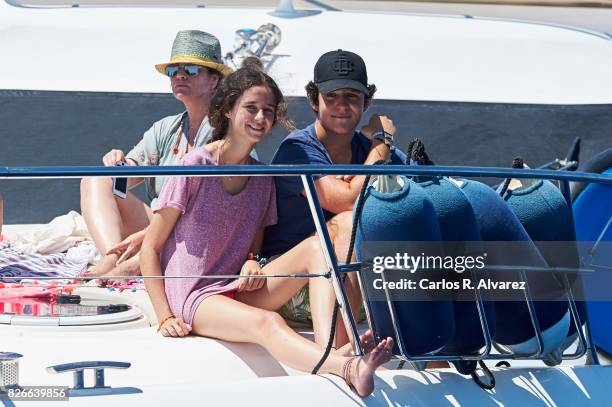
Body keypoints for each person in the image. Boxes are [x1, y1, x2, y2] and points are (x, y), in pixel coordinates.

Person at [140, 58, 394, 398]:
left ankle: (333, 342)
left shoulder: (262, 177)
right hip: (194, 295)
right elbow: (151, 247)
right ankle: (344, 366)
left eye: (268, 111)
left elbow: (254, 246)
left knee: (319, 246)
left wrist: (250, 261)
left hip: (237, 286)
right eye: (251, 108)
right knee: (269, 323)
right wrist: (163, 316)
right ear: (228, 110)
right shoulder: (195, 165)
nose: (261, 118)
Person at [261, 49, 407, 349]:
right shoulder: (297, 150)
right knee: (344, 222)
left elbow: (417, 192)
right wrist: (381, 143)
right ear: (315, 101)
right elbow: (345, 203)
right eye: (332, 97)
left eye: (352, 97)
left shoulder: (366, 151)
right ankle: (339, 353)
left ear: (366, 103)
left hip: (357, 284)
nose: (342, 106)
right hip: (294, 284)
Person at [80, 30, 231, 280]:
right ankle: (111, 258)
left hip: (199, 231)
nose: (180, 75)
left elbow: (208, 209)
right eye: (174, 70)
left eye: (191, 69)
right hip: (157, 227)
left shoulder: (224, 132)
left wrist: (148, 235)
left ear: (214, 80)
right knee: (95, 179)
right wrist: (119, 165)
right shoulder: (165, 128)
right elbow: (123, 181)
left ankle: (128, 267)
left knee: (179, 221)